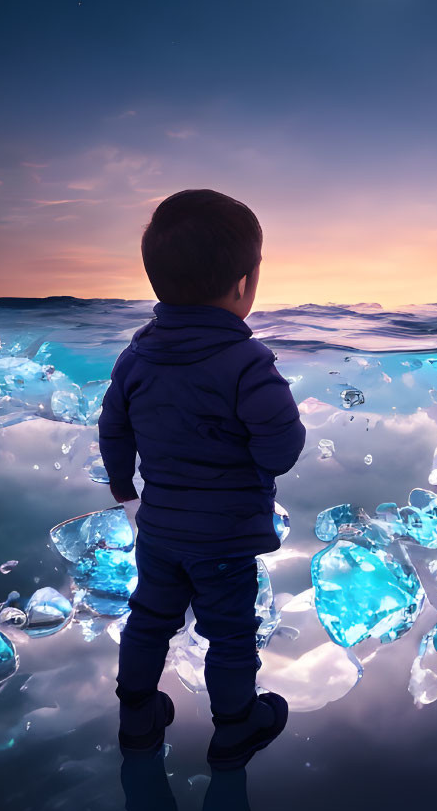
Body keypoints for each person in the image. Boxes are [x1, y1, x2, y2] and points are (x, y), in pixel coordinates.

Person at [99, 188, 304, 770]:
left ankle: (137, 715)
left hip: (159, 530)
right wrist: (255, 463)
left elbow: (114, 430)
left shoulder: (135, 358)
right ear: (243, 285)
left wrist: (124, 492)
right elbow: (283, 448)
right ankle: (237, 727)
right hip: (226, 537)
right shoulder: (247, 363)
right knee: (231, 633)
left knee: (148, 619)